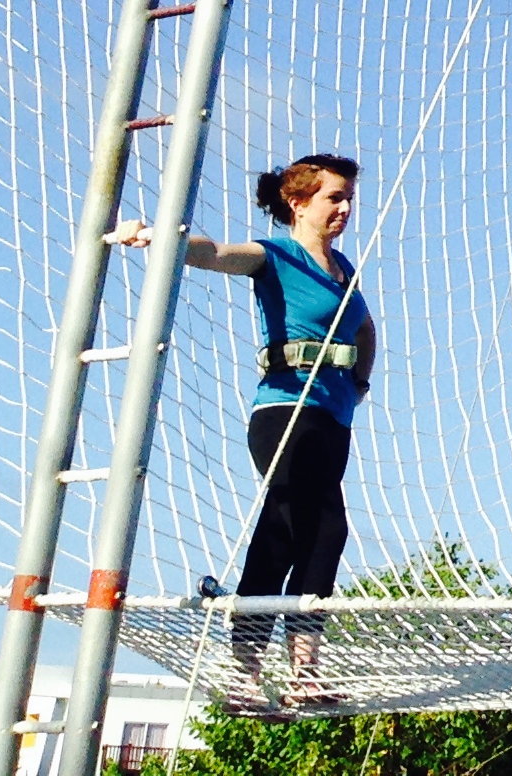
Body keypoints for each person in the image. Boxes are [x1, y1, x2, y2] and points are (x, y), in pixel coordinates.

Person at [112, 153, 377, 704]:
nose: (346, 208)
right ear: (298, 202)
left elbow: (365, 327)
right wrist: (159, 237)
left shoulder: (345, 269)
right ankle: (274, 670)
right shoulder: (276, 255)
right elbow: (214, 254)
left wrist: (359, 383)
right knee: (321, 525)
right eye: (334, 197)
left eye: (349, 197)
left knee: (293, 529)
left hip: (333, 415)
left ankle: (276, 671)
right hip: (284, 409)